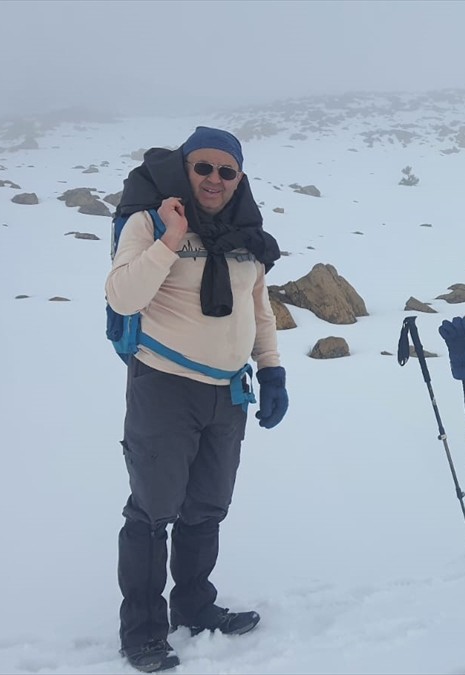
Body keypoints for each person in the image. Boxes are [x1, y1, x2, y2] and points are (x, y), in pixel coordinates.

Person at [106, 126, 288, 672]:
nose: (214, 179)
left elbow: (258, 310)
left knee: (206, 508)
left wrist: (272, 370)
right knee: (152, 510)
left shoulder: (246, 238)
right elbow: (122, 294)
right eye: (203, 167)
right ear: (186, 168)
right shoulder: (149, 223)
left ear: (239, 179)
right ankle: (142, 631)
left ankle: (195, 607)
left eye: (226, 171)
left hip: (227, 394)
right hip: (164, 386)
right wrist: (168, 239)